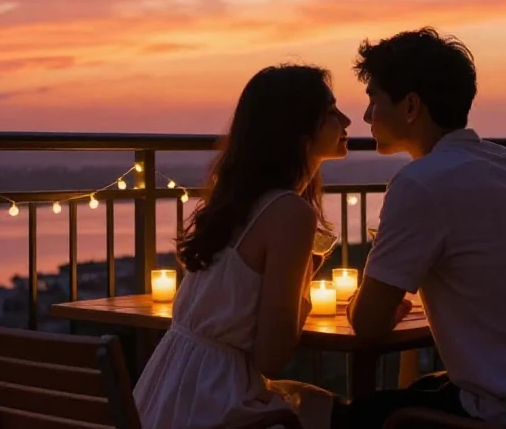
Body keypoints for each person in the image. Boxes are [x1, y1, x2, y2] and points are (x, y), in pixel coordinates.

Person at [338, 29, 506, 428]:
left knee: (351, 416)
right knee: (424, 389)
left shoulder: (421, 183)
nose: (367, 116)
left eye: (373, 99)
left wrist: (385, 299)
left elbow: (367, 323)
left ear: (411, 105)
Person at [135, 64, 351, 429]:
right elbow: (271, 355)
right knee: (337, 412)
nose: (346, 120)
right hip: (216, 403)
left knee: (318, 404)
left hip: (167, 391)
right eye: (330, 111)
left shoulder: (236, 202)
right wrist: (304, 290)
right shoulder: (289, 212)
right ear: (298, 131)